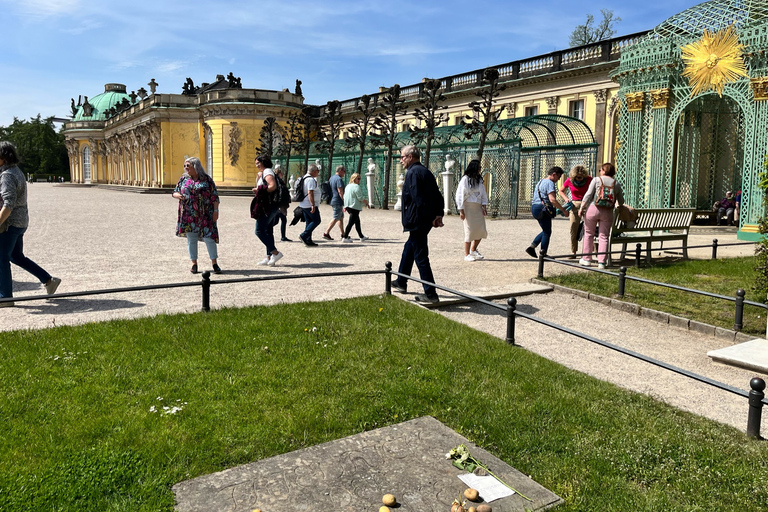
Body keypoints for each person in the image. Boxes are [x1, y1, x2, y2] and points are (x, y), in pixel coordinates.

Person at [0, 141, 61, 307]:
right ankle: (48, 280)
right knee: (16, 256)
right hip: (20, 222)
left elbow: (8, 203)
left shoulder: (7, 176)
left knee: (1, 259)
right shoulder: (15, 171)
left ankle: (5, 298)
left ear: (3, 158)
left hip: (9, 224)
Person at [391, 145, 444, 303]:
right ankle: (401, 281)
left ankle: (430, 293)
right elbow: (437, 195)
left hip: (417, 220)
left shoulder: (413, 172)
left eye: (402, 157)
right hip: (422, 220)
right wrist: (437, 214)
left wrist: (430, 217)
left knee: (421, 256)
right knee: (409, 249)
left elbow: (418, 198)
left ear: (410, 157)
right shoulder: (425, 172)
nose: (401, 161)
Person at [172, 157, 221, 274]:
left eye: (188, 166)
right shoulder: (183, 179)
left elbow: (215, 197)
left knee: (209, 238)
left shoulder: (207, 180)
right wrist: (178, 195)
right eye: (185, 166)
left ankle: (214, 263)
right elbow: (174, 191)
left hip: (206, 214)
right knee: (191, 239)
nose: (186, 168)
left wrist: (216, 211)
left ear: (196, 166)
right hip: (189, 213)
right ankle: (194, 264)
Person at [578, 162, 624, 269]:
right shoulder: (616, 184)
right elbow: (621, 201)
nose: (600, 172)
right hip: (608, 212)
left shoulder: (596, 180)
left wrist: (581, 208)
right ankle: (602, 262)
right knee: (604, 237)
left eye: (601, 170)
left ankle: (587, 259)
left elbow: (588, 195)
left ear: (604, 171)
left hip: (593, 208)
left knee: (589, 233)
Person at [526, 166, 568, 259]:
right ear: (554, 174)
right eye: (558, 177)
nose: (558, 179)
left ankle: (532, 247)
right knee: (547, 232)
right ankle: (543, 253)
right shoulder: (550, 183)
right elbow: (552, 199)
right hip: (543, 208)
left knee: (546, 230)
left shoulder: (541, 181)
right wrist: (563, 209)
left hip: (535, 207)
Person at [252, 154, 284, 266]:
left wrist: (259, 189)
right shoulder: (265, 172)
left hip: (268, 205)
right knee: (268, 231)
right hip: (270, 205)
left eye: (258, 163)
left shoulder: (267, 172)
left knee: (259, 230)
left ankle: (275, 253)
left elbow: (272, 186)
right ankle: (269, 256)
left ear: (263, 162)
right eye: (256, 163)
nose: (257, 165)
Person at [455, 159, 488, 262]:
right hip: (468, 207)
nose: (480, 170)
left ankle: (474, 249)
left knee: (481, 230)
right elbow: (459, 194)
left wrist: (484, 206)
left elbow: (483, 193)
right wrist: (461, 210)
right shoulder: (465, 179)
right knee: (469, 230)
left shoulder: (480, 179)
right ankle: (467, 254)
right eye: (478, 168)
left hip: (477, 207)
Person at [558, 165, 593, 258]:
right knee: (573, 227)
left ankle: (591, 251)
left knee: (590, 228)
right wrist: (566, 199)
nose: (579, 179)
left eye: (581, 177)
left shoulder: (589, 179)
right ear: (574, 176)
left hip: (586, 204)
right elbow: (561, 191)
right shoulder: (569, 180)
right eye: (577, 177)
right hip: (574, 205)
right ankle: (573, 251)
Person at [298, 164, 321, 246]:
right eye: (318, 171)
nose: (318, 173)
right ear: (314, 171)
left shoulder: (304, 178)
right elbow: (310, 192)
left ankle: (308, 240)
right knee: (316, 220)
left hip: (304, 204)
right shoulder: (310, 180)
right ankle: (304, 235)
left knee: (309, 222)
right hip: (309, 204)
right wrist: (313, 205)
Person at [342, 172, 369, 242]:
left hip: (348, 206)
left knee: (357, 221)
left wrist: (345, 205)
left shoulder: (348, 186)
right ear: (354, 179)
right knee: (351, 223)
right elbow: (360, 197)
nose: (359, 180)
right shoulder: (356, 187)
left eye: (360, 178)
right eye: (358, 179)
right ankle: (345, 237)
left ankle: (361, 236)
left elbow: (345, 196)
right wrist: (366, 203)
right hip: (354, 206)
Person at [322, 165, 346, 240]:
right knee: (336, 217)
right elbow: (340, 191)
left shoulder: (332, 178)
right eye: (344, 171)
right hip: (337, 200)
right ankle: (326, 233)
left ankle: (343, 234)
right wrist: (344, 200)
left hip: (333, 199)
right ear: (340, 171)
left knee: (340, 217)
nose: (344, 173)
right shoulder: (339, 179)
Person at [275, 166, 292, 242]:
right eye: (281, 172)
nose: (282, 174)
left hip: (280, 204)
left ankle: (283, 236)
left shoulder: (278, 181)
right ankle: (283, 237)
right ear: (278, 173)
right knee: (282, 220)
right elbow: (281, 193)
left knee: (277, 220)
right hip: (280, 204)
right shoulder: (278, 182)